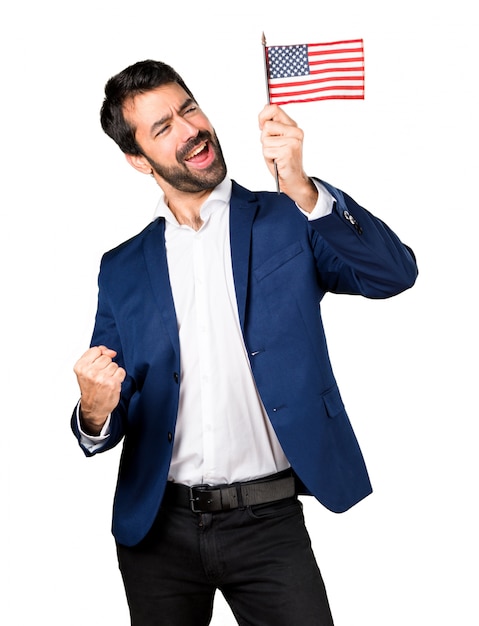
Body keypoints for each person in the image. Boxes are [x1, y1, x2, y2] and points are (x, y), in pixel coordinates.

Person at [72, 59, 418, 626]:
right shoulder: (123, 268)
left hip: (268, 523)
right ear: (137, 159)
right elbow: (109, 403)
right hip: (157, 531)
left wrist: (303, 187)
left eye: (189, 109)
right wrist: (93, 408)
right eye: (163, 128)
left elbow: (392, 274)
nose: (190, 130)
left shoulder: (287, 217)